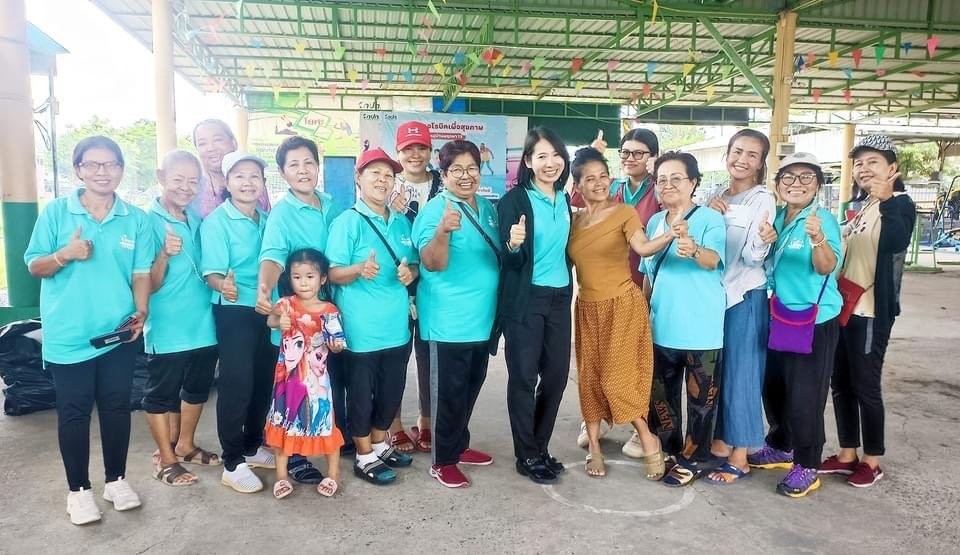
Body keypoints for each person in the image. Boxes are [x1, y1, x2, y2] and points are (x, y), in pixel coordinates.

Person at [25, 135, 154, 524]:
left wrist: (141, 310)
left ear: (121, 169)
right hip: (69, 333)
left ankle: (116, 480)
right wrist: (65, 254)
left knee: (116, 407)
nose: (102, 172)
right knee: (74, 411)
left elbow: (141, 273)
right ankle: (78, 491)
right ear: (78, 170)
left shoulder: (135, 219)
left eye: (111, 164)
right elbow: (34, 266)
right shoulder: (56, 213)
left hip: (118, 333)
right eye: (92, 164)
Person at [567, 147, 677, 480]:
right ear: (578, 185)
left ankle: (648, 438)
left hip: (622, 306)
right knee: (589, 379)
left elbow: (642, 248)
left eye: (603, 176)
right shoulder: (573, 221)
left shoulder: (624, 213)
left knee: (616, 380)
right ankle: (595, 446)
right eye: (590, 178)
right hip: (587, 308)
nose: (599, 183)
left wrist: (671, 234)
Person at [820, 135, 916, 487]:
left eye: (873, 161)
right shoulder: (861, 206)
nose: (864, 168)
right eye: (859, 163)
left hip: (871, 310)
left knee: (865, 385)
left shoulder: (900, 204)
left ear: (892, 168)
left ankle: (872, 460)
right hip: (845, 308)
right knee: (841, 383)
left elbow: (895, 242)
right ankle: (847, 453)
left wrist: (887, 198)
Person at [749, 152, 842, 498]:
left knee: (806, 395)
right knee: (774, 388)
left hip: (813, 320)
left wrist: (817, 239)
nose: (796, 183)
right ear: (778, 184)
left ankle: (807, 463)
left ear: (817, 185)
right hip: (778, 314)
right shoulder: (775, 216)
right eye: (788, 177)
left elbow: (826, 266)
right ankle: (780, 445)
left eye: (806, 177)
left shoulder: (821, 219)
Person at [327, 148, 419, 485]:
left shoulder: (401, 221)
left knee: (392, 390)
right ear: (358, 178)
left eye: (388, 175)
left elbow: (413, 263)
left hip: (396, 327)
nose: (382, 180)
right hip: (360, 329)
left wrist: (410, 273)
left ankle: (380, 443)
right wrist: (358, 269)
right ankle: (364, 454)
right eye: (375, 173)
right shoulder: (347, 222)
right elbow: (332, 273)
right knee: (361, 396)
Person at [412, 140, 499, 488]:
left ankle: (458, 445)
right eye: (457, 170)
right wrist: (443, 231)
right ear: (444, 175)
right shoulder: (435, 210)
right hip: (448, 321)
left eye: (472, 168)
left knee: (469, 388)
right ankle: (442, 460)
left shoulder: (487, 207)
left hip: (482, 320)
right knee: (447, 394)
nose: (466, 176)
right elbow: (432, 263)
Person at [254, 135, 337, 484]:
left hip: (326, 314)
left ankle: (325, 442)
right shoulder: (282, 214)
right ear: (283, 173)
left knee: (321, 385)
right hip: (296, 322)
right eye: (294, 165)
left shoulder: (331, 204)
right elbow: (272, 257)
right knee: (294, 389)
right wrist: (264, 287)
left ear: (318, 166)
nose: (303, 171)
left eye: (308, 163)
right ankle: (296, 456)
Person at [641, 151, 727, 488]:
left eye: (676, 178)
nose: (668, 185)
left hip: (701, 330)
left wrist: (693, 249)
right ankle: (670, 451)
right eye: (662, 179)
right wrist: (644, 313)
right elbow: (648, 273)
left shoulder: (709, 219)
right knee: (661, 398)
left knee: (702, 401)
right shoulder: (654, 222)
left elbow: (714, 260)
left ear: (693, 183)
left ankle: (694, 458)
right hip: (662, 327)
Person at [577, 127, 661, 454]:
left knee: (632, 366)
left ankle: (643, 429)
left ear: (653, 157)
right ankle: (598, 417)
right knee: (595, 367)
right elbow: (577, 198)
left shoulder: (659, 190)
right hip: (596, 293)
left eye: (639, 153)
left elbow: (674, 216)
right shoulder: (613, 189)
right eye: (625, 152)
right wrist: (590, 154)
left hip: (644, 284)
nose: (630, 158)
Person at [496, 127, 572, 485]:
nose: (550, 162)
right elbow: (507, 260)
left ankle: (540, 447)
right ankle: (526, 453)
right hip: (526, 299)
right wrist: (513, 244)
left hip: (559, 297)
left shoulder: (564, 199)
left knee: (556, 377)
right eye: (541, 156)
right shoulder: (514, 201)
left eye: (556, 155)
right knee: (524, 377)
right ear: (528, 161)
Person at [703, 130, 778, 485]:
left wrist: (763, 241)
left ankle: (740, 456)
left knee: (742, 375)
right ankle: (721, 441)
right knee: (720, 373)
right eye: (737, 151)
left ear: (761, 163)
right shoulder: (715, 194)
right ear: (727, 154)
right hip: (717, 297)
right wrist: (709, 212)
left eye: (752, 155)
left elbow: (752, 257)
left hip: (745, 296)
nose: (742, 160)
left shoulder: (762, 199)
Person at [201, 151, 278, 493]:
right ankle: (232, 461)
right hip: (235, 311)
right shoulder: (217, 221)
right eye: (240, 176)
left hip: (268, 311)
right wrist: (224, 286)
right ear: (227, 182)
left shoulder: (268, 220)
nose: (248, 183)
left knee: (263, 381)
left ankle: (252, 444)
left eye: (254, 176)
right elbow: (212, 274)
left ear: (263, 183)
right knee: (237, 384)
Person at [142, 150, 219, 487]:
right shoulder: (147, 222)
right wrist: (163, 254)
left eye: (193, 181)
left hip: (204, 323)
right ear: (161, 177)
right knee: (161, 395)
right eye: (178, 179)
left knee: (197, 389)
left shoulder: (198, 220)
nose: (186, 188)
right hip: (167, 325)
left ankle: (185, 445)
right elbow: (148, 284)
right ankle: (166, 459)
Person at [265, 249, 346, 499]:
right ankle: (281, 477)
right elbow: (270, 321)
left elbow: (337, 343)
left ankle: (333, 474)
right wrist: (279, 322)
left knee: (325, 424)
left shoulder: (329, 310)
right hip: (286, 382)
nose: (303, 283)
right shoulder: (285, 304)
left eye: (310, 277)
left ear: (322, 279)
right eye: (297, 277)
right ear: (289, 278)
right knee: (283, 425)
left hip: (317, 383)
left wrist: (336, 346)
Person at [386, 121, 444, 455]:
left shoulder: (442, 184)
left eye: (421, 147)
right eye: (408, 149)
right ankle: (393, 424)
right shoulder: (386, 185)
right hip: (395, 282)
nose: (415, 154)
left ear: (430, 151)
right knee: (396, 354)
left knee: (429, 354)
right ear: (398, 152)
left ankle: (426, 420)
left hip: (434, 283)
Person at [189, 119, 271, 218]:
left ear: (234, 143)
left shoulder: (252, 183)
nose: (211, 148)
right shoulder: (191, 187)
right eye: (202, 143)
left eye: (218, 140)